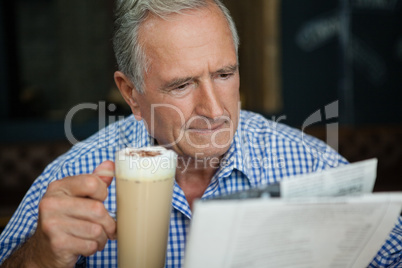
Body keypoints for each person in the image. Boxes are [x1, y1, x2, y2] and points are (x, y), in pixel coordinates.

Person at [0, 0, 401, 267]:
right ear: (131, 94)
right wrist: (38, 257)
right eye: (181, 85)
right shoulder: (74, 178)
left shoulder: (311, 165)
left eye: (225, 75)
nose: (214, 110)